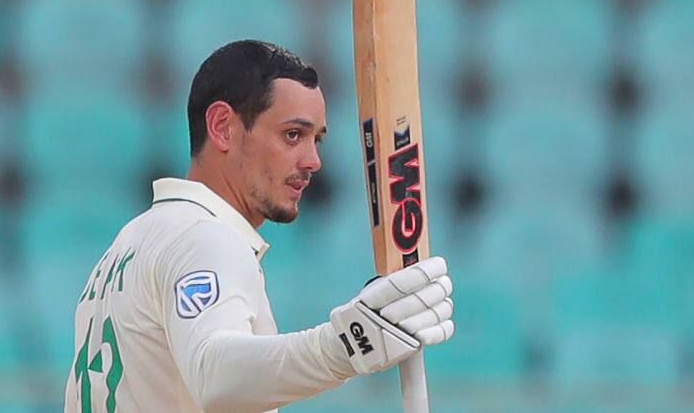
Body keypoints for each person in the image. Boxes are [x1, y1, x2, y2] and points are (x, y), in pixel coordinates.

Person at [64, 40, 455, 412]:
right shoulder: (204, 238)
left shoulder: (127, 244)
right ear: (222, 126)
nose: (313, 161)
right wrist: (345, 346)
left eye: (316, 140)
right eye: (292, 135)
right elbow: (214, 375)